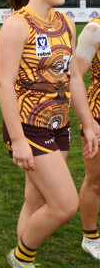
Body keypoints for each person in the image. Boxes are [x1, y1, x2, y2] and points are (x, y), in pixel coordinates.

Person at [0, 0, 99, 268]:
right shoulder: (16, 25)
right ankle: (21, 257)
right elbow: (4, 85)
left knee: (37, 199)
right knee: (65, 204)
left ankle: (24, 260)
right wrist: (19, 140)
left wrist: (87, 123)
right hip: (28, 126)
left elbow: (73, 79)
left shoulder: (66, 22)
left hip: (59, 123)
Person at [75, 16, 100, 260]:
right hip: (99, 114)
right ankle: (90, 237)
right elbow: (76, 77)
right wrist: (88, 122)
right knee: (96, 180)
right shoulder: (95, 30)